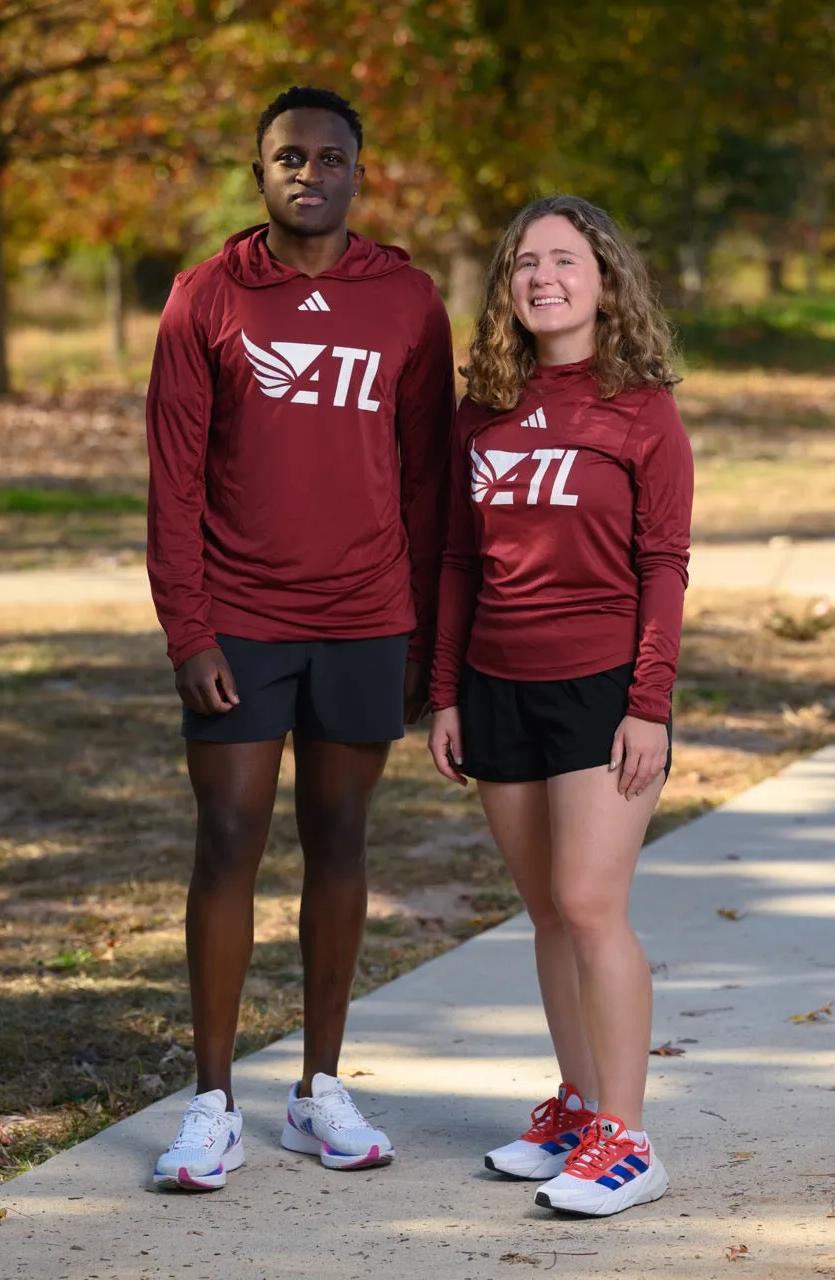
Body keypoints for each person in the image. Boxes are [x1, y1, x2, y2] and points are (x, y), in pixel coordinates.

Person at [146, 85, 454, 1190]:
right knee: (228, 837)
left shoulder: (410, 300)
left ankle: (320, 1086)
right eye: (287, 156)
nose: (308, 172)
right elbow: (172, 482)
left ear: (357, 174)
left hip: (369, 617)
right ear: (259, 169)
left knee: (340, 836)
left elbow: (428, 481)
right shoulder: (204, 298)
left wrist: (427, 636)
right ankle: (211, 1100)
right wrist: (190, 629)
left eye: (329, 158)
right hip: (239, 615)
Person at [428, 195, 693, 1217]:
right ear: (507, 288)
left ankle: (629, 1139)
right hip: (497, 685)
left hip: (600, 688)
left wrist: (649, 704)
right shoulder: (483, 406)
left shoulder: (640, 407)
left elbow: (663, 562)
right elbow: (456, 559)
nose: (542, 276)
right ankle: (580, 1107)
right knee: (544, 909)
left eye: (563, 259)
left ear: (604, 278)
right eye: (523, 262)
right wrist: (446, 692)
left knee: (590, 904)